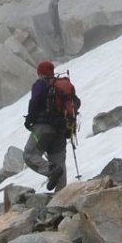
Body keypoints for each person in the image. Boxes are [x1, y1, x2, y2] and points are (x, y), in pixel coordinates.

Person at [23, 60, 79, 191]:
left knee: (29, 154)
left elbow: (35, 102)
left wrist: (29, 120)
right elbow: (76, 102)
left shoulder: (40, 84)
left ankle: (51, 170)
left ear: (40, 73)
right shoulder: (63, 86)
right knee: (59, 160)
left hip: (43, 128)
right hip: (61, 129)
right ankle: (61, 196)